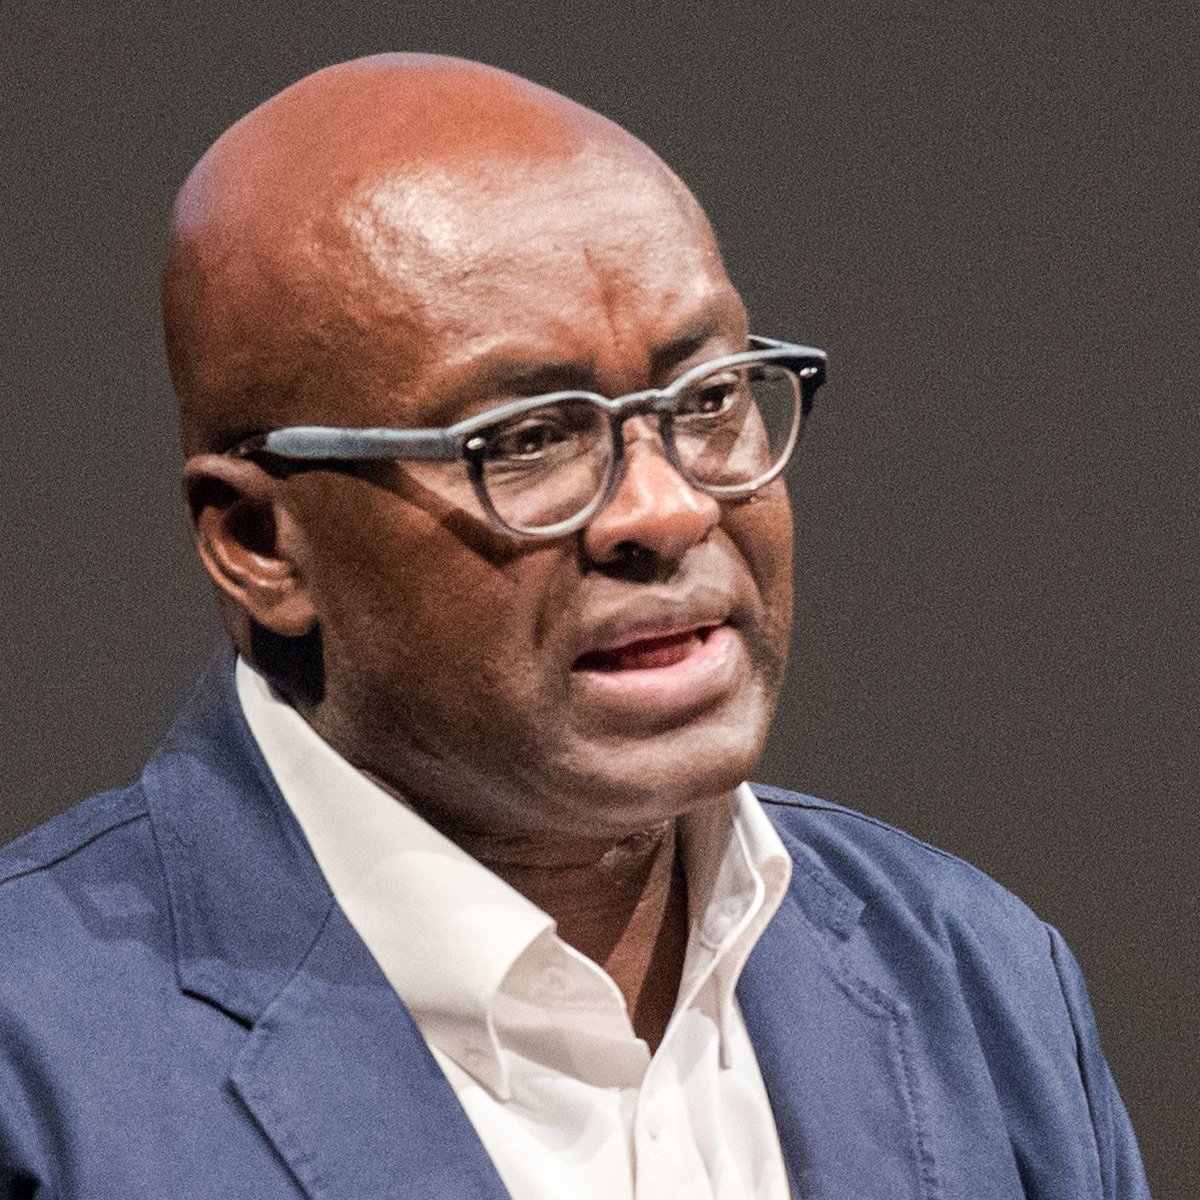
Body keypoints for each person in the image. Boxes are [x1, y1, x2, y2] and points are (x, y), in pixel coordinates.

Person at [0, 53, 1149, 1200]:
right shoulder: (34, 1076)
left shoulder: (976, 981)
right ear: (260, 543)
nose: (668, 508)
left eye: (709, 398)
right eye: (527, 440)